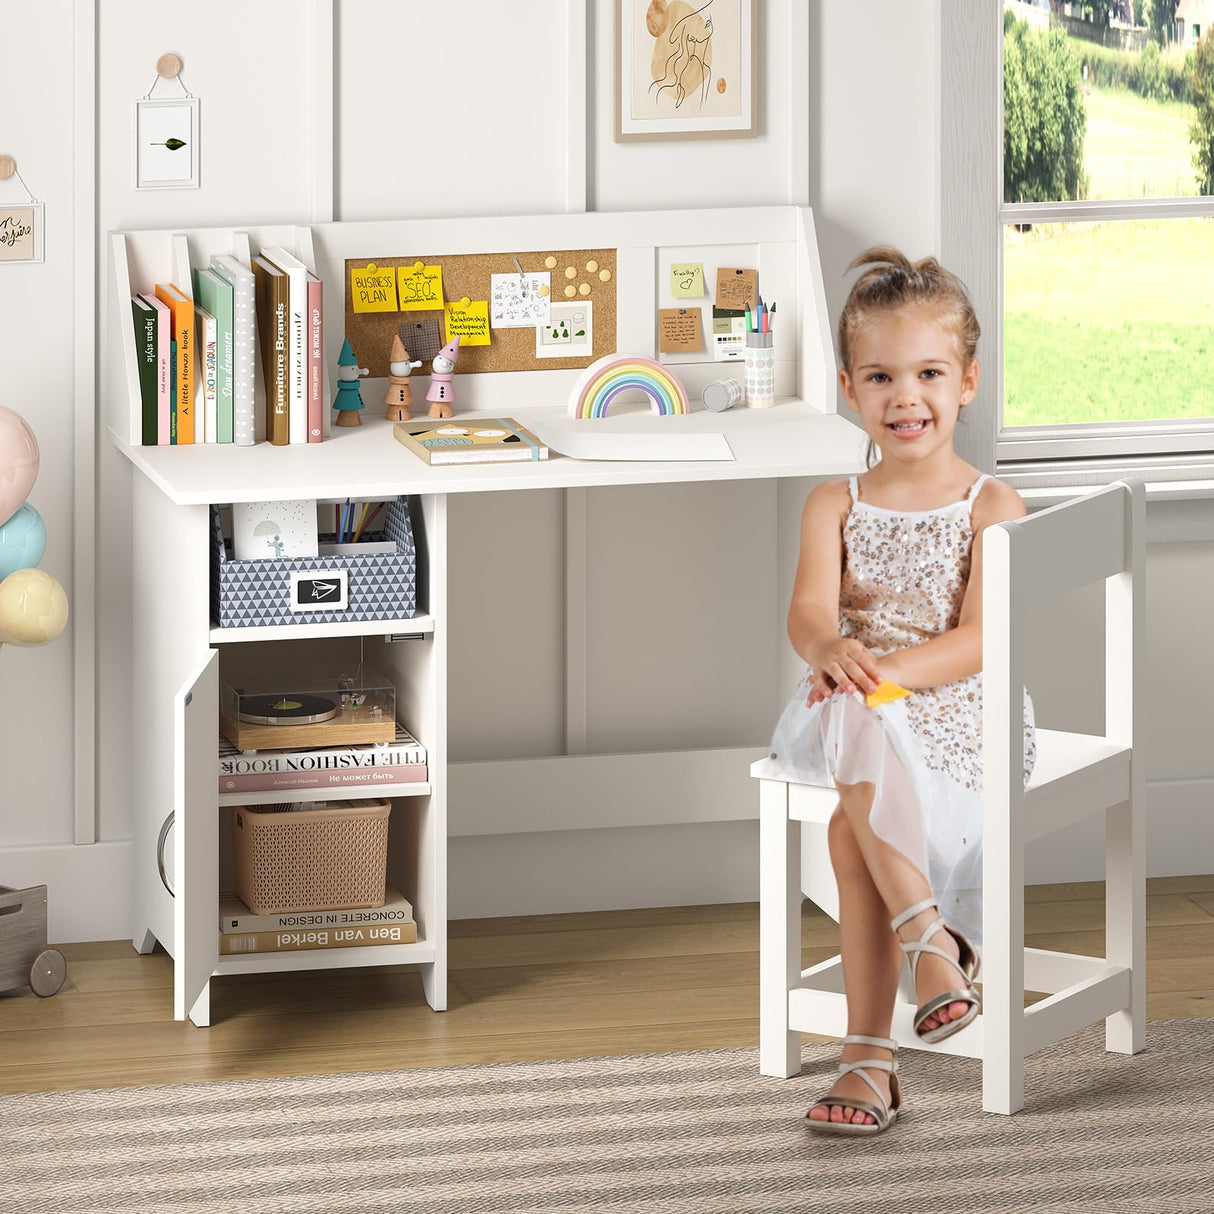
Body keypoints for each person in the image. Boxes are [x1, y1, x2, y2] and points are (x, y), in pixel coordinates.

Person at [766, 246, 1036, 1136]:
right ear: (850, 386)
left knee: (852, 824)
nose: (905, 397)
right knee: (847, 707)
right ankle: (932, 941)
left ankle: (870, 1056)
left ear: (968, 381)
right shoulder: (831, 503)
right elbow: (808, 616)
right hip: (854, 703)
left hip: (961, 710)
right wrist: (834, 645)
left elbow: (980, 642)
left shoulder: (991, 503)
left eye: (928, 373)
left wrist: (878, 673)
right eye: (881, 376)